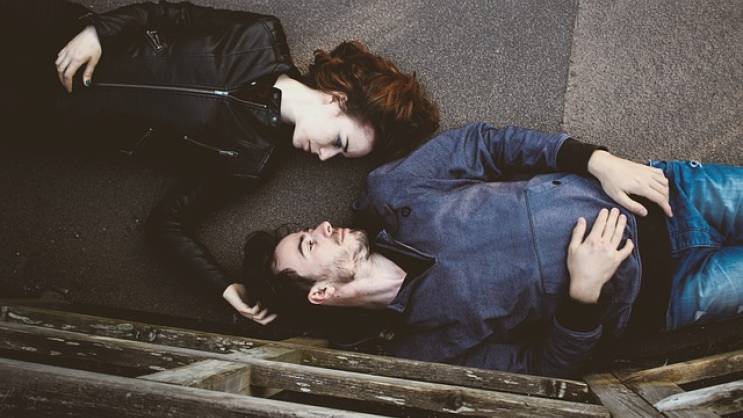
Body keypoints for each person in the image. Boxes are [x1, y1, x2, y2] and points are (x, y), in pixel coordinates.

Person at [0, 1, 439, 327]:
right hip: (53, 33)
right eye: (339, 143)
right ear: (337, 99)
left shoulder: (252, 160)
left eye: (340, 156)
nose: (325, 156)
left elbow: (168, 223)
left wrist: (222, 287)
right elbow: (169, 14)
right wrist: (98, 30)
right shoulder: (261, 36)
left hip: (48, 118)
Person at [248, 123, 742, 378]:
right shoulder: (422, 350)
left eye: (310, 230)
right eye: (308, 244)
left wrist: (597, 160)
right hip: (666, 294)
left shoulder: (391, 192)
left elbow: (485, 145)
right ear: (321, 293)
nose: (323, 227)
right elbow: (542, 367)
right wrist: (583, 294)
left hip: (660, 194)